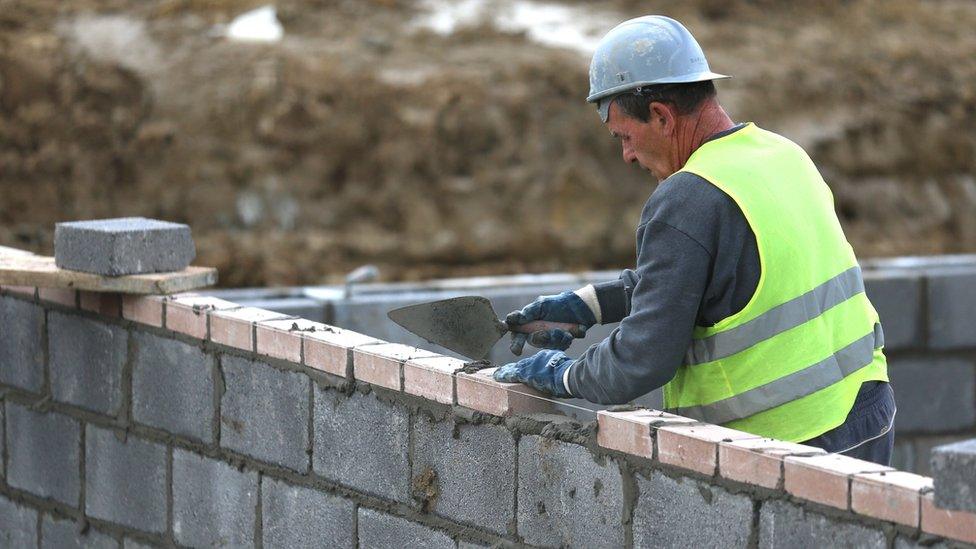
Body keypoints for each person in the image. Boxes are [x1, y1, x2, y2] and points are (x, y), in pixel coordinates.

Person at [493, 15, 896, 465]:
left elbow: (639, 361)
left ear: (662, 115)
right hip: (867, 416)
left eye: (624, 136)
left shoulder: (687, 198)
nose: (626, 155)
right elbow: (721, 278)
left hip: (785, 446)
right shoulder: (781, 154)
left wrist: (561, 376)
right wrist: (590, 304)